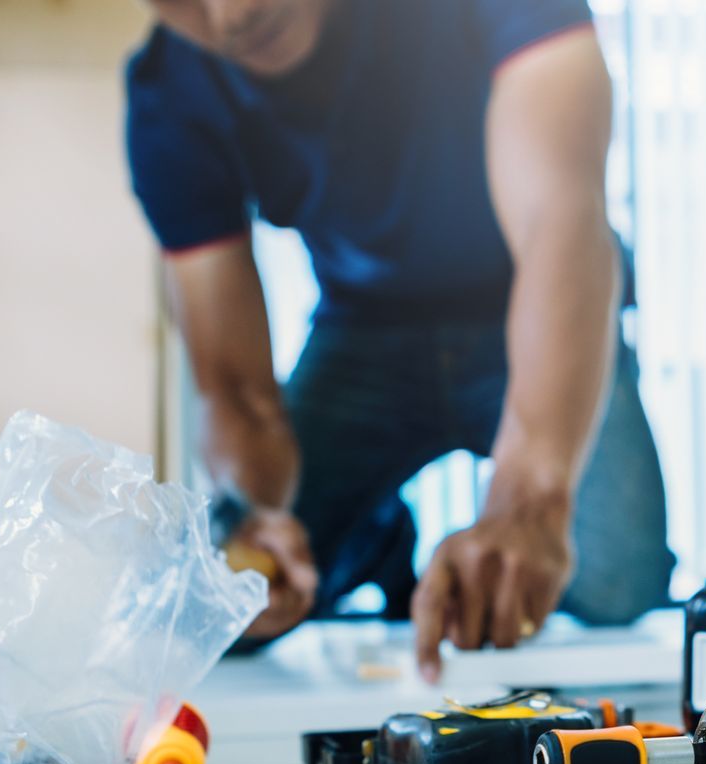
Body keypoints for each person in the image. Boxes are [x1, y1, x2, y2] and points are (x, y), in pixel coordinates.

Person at [125, 0, 676, 681]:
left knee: (621, 587)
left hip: (531, 303)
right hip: (363, 333)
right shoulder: (167, 96)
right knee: (238, 603)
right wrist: (260, 510)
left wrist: (531, 494)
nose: (233, 15)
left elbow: (560, 222)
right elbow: (236, 391)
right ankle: (372, 536)